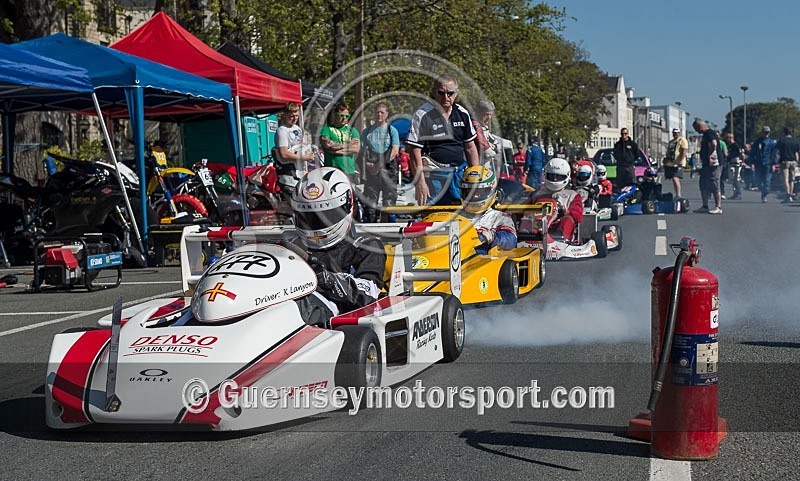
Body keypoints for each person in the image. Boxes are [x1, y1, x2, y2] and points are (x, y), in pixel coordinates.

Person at [288, 166, 386, 327]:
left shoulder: (366, 246)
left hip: (334, 319)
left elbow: (369, 293)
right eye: (308, 218)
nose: (316, 225)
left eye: (324, 217)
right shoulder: (293, 245)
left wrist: (329, 280)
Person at [407, 73, 480, 205]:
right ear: (434, 93)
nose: (446, 97)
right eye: (441, 93)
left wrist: (476, 177)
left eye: (450, 93)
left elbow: (470, 147)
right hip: (433, 176)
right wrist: (420, 182)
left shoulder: (462, 113)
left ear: (456, 94)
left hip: (458, 175)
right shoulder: (422, 115)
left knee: (462, 217)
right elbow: (414, 151)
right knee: (434, 219)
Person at [459, 165, 517, 251]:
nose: (474, 196)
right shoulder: (455, 216)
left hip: (485, 260)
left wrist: (494, 237)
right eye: (470, 192)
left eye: (479, 192)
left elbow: (511, 239)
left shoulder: (499, 216)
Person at [360, 102, 400, 221]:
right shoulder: (367, 132)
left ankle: (388, 230)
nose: (379, 114)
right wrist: (367, 165)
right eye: (377, 112)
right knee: (370, 202)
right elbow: (361, 151)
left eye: (382, 112)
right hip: (371, 169)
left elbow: (394, 151)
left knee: (389, 201)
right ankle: (371, 228)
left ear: (387, 114)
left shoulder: (392, 130)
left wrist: (379, 166)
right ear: (373, 114)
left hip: (388, 169)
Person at [530, 157, 584, 242]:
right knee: (525, 219)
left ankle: (560, 238)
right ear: (546, 175)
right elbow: (524, 208)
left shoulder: (572, 195)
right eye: (552, 176)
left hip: (557, 225)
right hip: (537, 224)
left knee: (568, 219)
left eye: (558, 176)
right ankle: (526, 236)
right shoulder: (537, 193)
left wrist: (567, 212)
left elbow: (578, 215)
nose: (555, 179)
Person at [273, 102, 318, 195]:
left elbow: (300, 146)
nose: (294, 119)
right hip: (289, 175)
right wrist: (304, 157)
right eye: (291, 116)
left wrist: (309, 149)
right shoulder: (282, 131)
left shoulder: (297, 128)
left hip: (300, 172)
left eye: (296, 116)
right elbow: (284, 154)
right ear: (285, 115)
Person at [319, 102, 361, 183]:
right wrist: (348, 145)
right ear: (335, 115)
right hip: (331, 171)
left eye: (347, 116)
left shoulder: (352, 130)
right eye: (341, 115)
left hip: (349, 171)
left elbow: (356, 149)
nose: (344, 118)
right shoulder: (327, 129)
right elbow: (327, 145)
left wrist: (336, 151)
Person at [692, 119, 723, 214]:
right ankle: (705, 206)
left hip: (714, 163)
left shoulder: (710, 133)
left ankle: (718, 207)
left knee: (714, 183)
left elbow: (714, 144)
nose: (697, 131)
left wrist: (710, 154)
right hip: (706, 164)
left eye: (697, 128)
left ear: (701, 126)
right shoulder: (705, 135)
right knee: (703, 183)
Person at [772, 126, 799, 202]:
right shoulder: (796, 141)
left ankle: (788, 195)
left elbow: (775, 150)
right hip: (793, 161)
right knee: (792, 179)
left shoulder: (782, 141)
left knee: (785, 179)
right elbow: (797, 152)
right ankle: (791, 193)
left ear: (784, 132)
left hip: (784, 161)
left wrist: (772, 160)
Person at [750, 126, 777, 202]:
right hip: (758, 163)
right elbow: (752, 153)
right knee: (758, 180)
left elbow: (774, 153)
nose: (766, 134)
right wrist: (752, 163)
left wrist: (774, 164)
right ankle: (762, 190)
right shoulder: (757, 142)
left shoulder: (772, 142)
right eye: (765, 132)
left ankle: (764, 194)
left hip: (768, 164)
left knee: (767, 180)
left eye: (767, 132)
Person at [472, 99, 499, 167]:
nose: (489, 118)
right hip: (476, 167)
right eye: (486, 114)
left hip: (484, 166)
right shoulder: (474, 125)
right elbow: (488, 151)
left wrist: (494, 146)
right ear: (479, 112)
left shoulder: (484, 126)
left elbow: (497, 144)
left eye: (490, 115)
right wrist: (493, 149)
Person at [664, 128, 688, 199]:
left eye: (676, 133)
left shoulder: (682, 140)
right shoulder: (671, 142)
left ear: (679, 133)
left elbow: (684, 151)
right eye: (674, 133)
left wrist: (681, 160)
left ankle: (678, 194)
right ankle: (676, 193)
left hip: (678, 163)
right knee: (672, 178)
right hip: (670, 163)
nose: (675, 134)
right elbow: (668, 152)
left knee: (675, 178)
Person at [723, 132, 743, 200]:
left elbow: (740, 154)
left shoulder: (736, 146)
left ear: (730, 138)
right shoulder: (730, 146)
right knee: (732, 179)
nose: (727, 140)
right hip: (731, 163)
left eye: (727, 138)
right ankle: (735, 193)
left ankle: (738, 193)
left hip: (736, 163)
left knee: (736, 178)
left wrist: (741, 161)